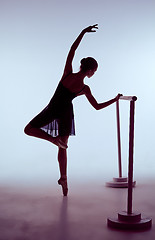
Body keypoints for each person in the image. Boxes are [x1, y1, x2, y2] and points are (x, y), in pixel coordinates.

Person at [24, 24, 121, 196]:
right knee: (61, 146)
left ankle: (63, 177)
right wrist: (115, 99)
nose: (94, 73)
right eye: (95, 71)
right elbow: (97, 107)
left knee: (31, 130)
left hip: (55, 109)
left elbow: (72, 50)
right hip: (65, 112)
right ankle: (63, 175)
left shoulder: (67, 73)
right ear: (90, 70)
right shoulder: (84, 88)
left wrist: (83, 32)